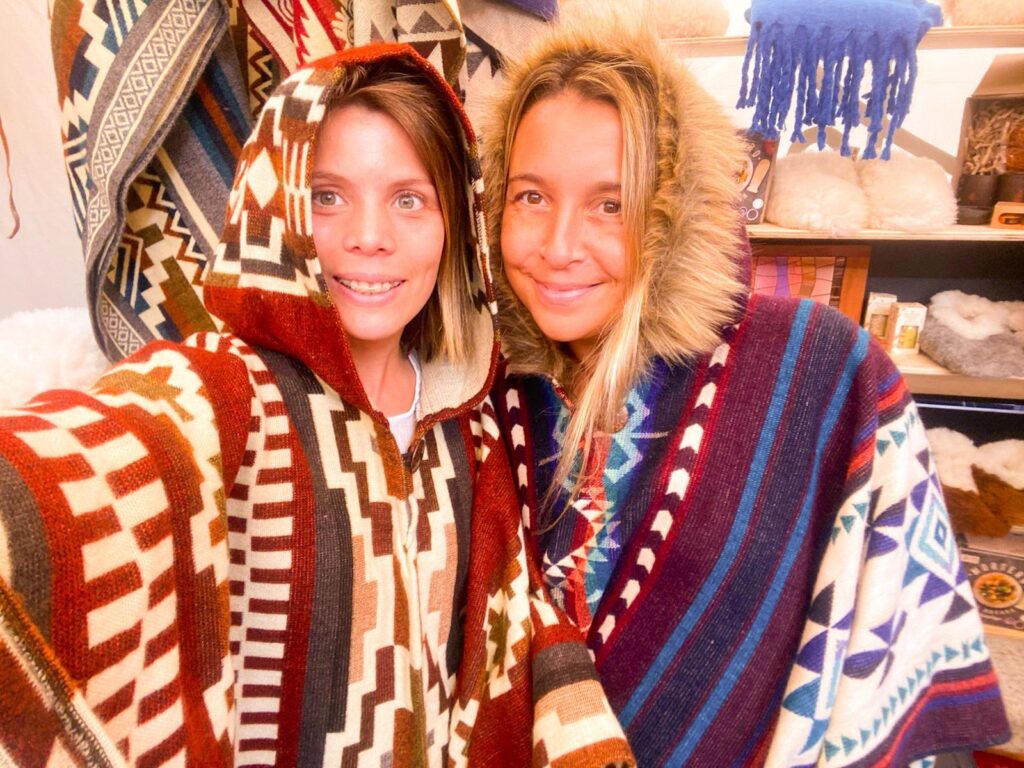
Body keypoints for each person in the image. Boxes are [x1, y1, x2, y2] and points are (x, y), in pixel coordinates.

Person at [0, 45, 633, 767]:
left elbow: (513, 621)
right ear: (276, 208)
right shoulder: (229, 394)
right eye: (327, 196)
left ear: (453, 224)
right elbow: (96, 458)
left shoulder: (472, 423)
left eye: (408, 199)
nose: (369, 237)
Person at [484, 11, 1010, 767]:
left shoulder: (818, 371)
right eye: (531, 196)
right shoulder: (480, 390)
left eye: (611, 202)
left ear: (677, 213)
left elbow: (891, 649)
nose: (559, 246)